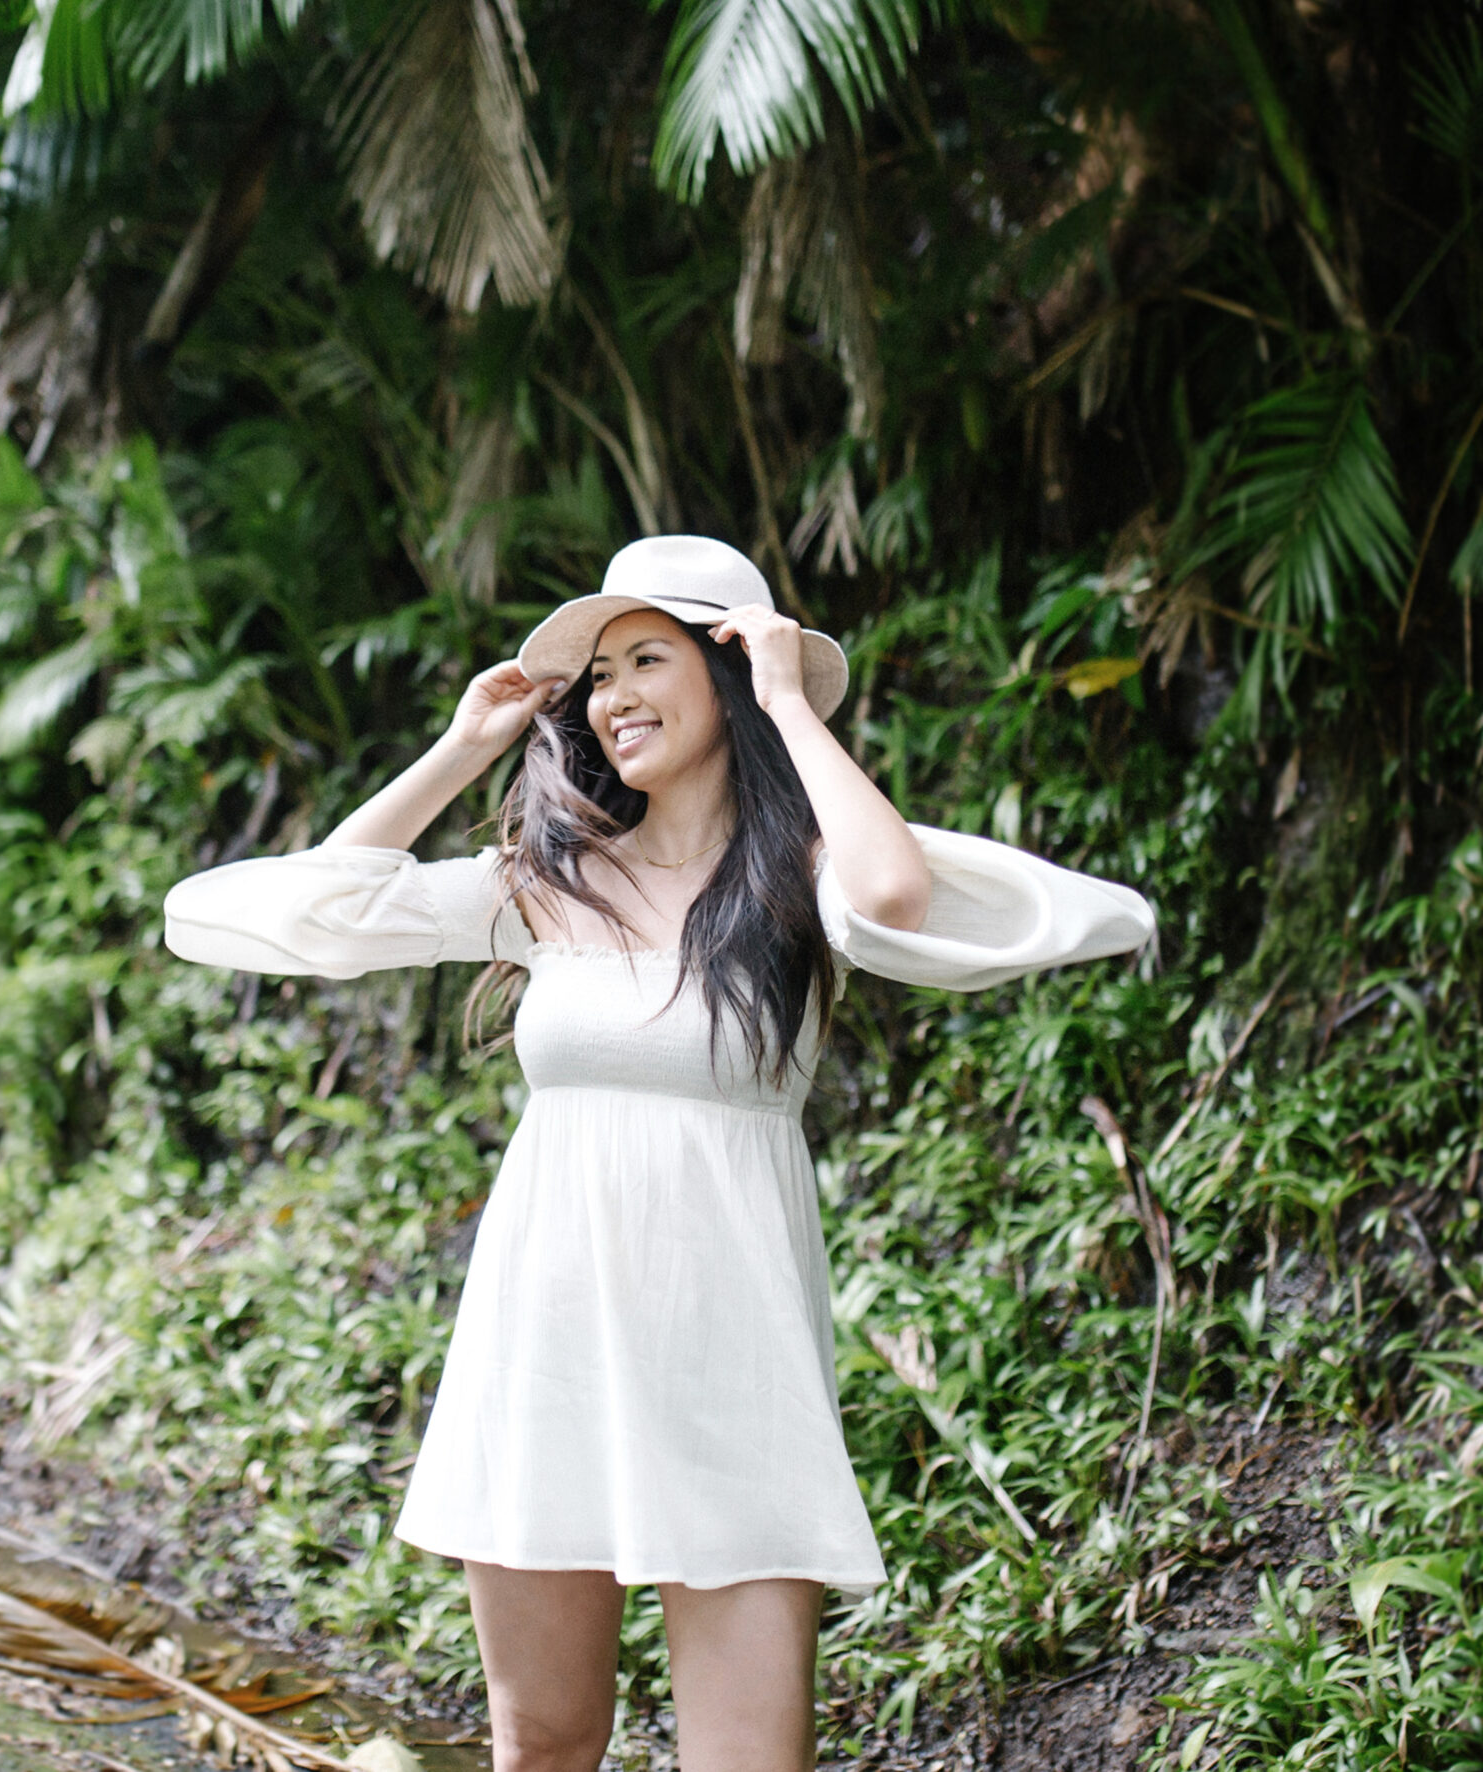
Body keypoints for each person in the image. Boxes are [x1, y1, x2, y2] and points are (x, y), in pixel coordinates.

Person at [163, 535, 1155, 1772]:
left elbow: (898, 896)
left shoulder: (803, 880)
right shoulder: (543, 883)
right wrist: (467, 743)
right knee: (545, 1746)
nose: (611, 693)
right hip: (545, 1352)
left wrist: (792, 698)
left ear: (730, 671)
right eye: (596, 675)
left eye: (648, 657)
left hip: (732, 1368)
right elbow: (324, 911)